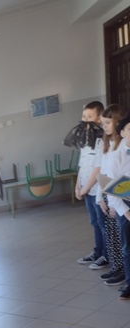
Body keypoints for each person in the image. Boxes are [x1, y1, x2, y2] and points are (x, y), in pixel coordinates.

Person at [74, 101, 108, 268]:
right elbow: (82, 165)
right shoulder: (85, 139)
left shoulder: (102, 139)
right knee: (94, 222)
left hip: (97, 189)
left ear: (99, 118)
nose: (86, 120)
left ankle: (106, 255)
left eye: (90, 116)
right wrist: (78, 186)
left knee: (102, 224)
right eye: (84, 116)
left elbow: (98, 168)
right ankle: (97, 252)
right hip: (86, 189)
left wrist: (86, 187)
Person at [95, 104, 125, 285]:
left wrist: (115, 203)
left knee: (121, 237)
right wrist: (100, 197)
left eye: (108, 122)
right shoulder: (107, 143)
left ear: (118, 122)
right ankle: (115, 267)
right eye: (103, 123)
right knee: (112, 235)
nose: (104, 126)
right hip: (107, 193)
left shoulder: (123, 144)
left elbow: (120, 177)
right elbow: (103, 173)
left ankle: (123, 270)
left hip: (119, 196)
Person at [105, 113, 130, 300]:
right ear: (122, 132)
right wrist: (127, 213)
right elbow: (112, 190)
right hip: (126, 206)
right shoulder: (117, 156)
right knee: (128, 247)